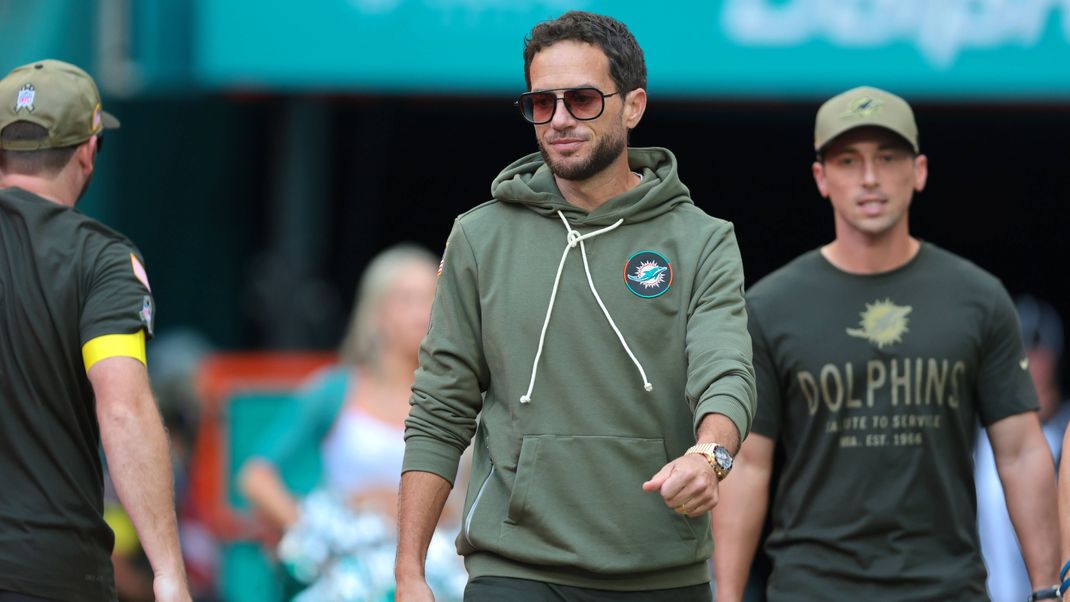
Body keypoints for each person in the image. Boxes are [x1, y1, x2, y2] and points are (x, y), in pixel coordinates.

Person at [396, 10, 756, 602]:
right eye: (541, 103)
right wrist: (409, 571)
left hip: (660, 572)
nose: (559, 120)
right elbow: (440, 406)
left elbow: (726, 369)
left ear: (633, 105)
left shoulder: (702, 239)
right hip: (513, 568)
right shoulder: (479, 238)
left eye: (583, 99)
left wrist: (711, 454)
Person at [711, 85, 1060, 601]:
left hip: (946, 589)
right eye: (848, 161)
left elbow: (1021, 452)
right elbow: (748, 464)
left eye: (888, 157)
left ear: (918, 172)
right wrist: (728, 596)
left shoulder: (978, 298)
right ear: (821, 178)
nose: (869, 178)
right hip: (813, 590)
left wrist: (1048, 592)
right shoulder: (771, 306)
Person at [0, 60, 190, 601]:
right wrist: (168, 572)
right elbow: (123, 407)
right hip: (49, 571)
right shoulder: (102, 259)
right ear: (88, 150)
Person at [238, 244, 465, 599]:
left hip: (438, 569)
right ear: (375, 312)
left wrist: (420, 511)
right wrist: (319, 532)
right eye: (408, 299)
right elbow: (255, 476)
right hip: (348, 574)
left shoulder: (463, 397)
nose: (423, 312)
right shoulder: (335, 389)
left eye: (434, 299)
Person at [975, 295, 1067, 601]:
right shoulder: (977, 444)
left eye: (1038, 352)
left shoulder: (1065, 435)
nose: (1029, 365)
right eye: (1019, 352)